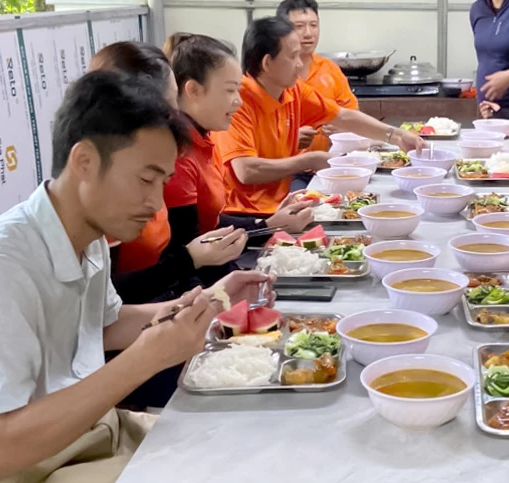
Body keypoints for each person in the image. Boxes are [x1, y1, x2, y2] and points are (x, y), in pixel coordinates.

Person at [0, 71, 271, 483]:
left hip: (86, 439)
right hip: (14, 475)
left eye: (162, 183)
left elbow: (105, 325)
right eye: (146, 180)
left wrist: (212, 300)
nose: (155, 203)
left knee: (249, 446)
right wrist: (145, 359)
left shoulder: (87, 235)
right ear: (84, 162)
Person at [88, 42, 248, 303]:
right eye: (172, 103)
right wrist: (191, 264)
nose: (177, 114)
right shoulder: (105, 194)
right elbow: (109, 306)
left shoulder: (176, 151)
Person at [215, 16, 425, 216]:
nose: (299, 64)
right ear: (267, 63)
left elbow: (342, 116)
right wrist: (310, 159)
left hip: (284, 203)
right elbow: (246, 170)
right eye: (292, 56)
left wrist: (397, 136)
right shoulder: (238, 101)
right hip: (244, 214)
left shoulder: (292, 89)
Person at [162, 32, 313, 275]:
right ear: (193, 90)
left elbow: (210, 224)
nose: (238, 102)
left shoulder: (203, 138)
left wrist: (270, 224)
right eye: (230, 91)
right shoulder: (179, 157)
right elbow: (194, 251)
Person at [275, 0, 359, 154]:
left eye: (313, 25)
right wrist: (290, 137)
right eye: (299, 26)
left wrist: (342, 128)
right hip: (285, 170)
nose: (308, 33)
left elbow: (352, 114)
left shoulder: (330, 69)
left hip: (324, 166)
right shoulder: (273, 74)